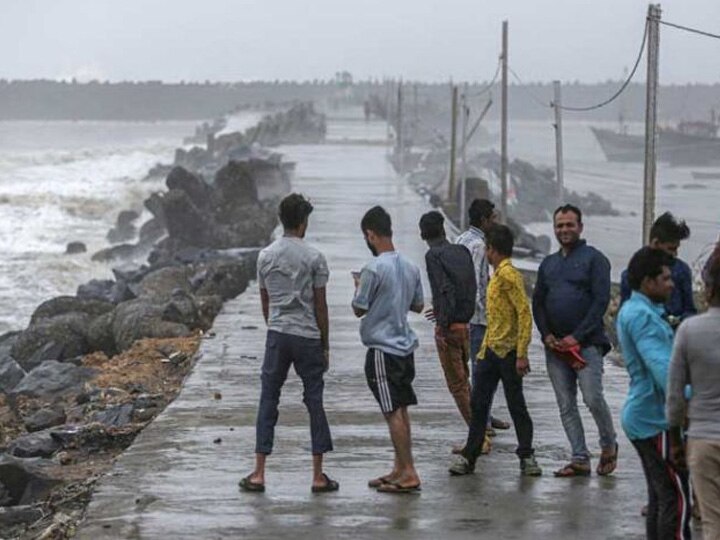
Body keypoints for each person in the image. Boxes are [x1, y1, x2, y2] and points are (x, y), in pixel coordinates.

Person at [239, 193, 337, 494]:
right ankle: (318, 476)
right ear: (304, 222)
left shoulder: (266, 256)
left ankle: (258, 472)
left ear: (282, 220)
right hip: (307, 335)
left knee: (269, 398)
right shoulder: (314, 257)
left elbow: (265, 300)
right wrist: (325, 344)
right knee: (314, 401)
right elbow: (321, 306)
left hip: (278, 334)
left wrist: (275, 326)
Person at [448, 224, 542, 477]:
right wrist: (482, 352)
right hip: (490, 351)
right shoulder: (497, 276)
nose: (486, 253)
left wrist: (522, 353)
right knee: (479, 405)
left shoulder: (509, 275)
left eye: (488, 248)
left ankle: (527, 456)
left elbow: (524, 314)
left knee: (516, 405)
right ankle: (470, 455)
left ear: (494, 249)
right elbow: (496, 318)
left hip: (509, 353)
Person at [532, 204, 618, 477]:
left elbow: (600, 301)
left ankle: (608, 444)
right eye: (559, 225)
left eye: (569, 225)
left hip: (587, 345)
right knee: (565, 405)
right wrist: (546, 334)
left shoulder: (595, 259)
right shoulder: (548, 264)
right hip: (555, 349)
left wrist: (576, 337)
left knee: (592, 398)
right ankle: (579, 457)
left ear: (580, 227)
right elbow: (538, 303)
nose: (564, 230)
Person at [617, 247, 692, 540]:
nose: (672, 284)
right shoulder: (643, 317)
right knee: (677, 499)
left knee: (661, 497)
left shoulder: (637, 310)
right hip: (653, 419)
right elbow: (665, 373)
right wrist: (697, 395)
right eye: (665, 278)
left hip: (644, 416)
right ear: (648, 282)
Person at [352, 206, 424, 494]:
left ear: (370, 234)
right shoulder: (410, 266)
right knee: (401, 408)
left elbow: (359, 308)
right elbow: (418, 306)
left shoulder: (373, 269)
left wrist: (358, 287)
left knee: (391, 410)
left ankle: (408, 472)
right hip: (405, 347)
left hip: (382, 349)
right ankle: (400, 467)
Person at [419, 211, 489, 452]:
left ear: (423, 234)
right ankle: (481, 429)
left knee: (457, 385)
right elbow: (471, 286)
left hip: (449, 329)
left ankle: (478, 439)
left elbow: (443, 289)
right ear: (443, 229)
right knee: (466, 381)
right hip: (467, 325)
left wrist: (442, 320)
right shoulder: (461, 251)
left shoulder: (433, 256)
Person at [667, 248, 720, 540]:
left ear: (708, 289)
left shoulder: (690, 330)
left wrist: (675, 440)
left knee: (712, 522)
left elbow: (675, 396)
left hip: (702, 438)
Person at [456, 199, 511, 436]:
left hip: (465, 314)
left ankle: (485, 415)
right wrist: (485, 311)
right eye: (493, 218)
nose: (495, 222)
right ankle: (482, 421)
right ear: (484, 220)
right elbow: (477, 281)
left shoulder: (461, 238)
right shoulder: (478, 244)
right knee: (482, 371)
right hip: (478, 318)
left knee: (475, 369)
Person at [620, 211, 696, 326]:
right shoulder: (631, 275)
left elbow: (690, 310)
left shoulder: (682, 271)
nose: (674, 254)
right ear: (655, 243)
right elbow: (625, 316)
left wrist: (677, 321)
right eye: (670, 249)